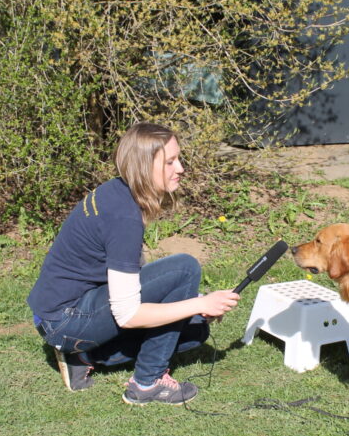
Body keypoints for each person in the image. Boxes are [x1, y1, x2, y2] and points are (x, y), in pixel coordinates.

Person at [27, 123, 239, 403]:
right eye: (170, 162)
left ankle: (85, 355)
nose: (181, 169)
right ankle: (147, 384)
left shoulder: (116, 191)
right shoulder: (124, 218)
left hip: (61, 312)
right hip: (64, 319)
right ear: (143, 166)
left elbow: (131, 279)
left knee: (195, 329)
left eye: (179, 158)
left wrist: (195, 303)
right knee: (184, 268)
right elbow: (127, 315)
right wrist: (200, 304)